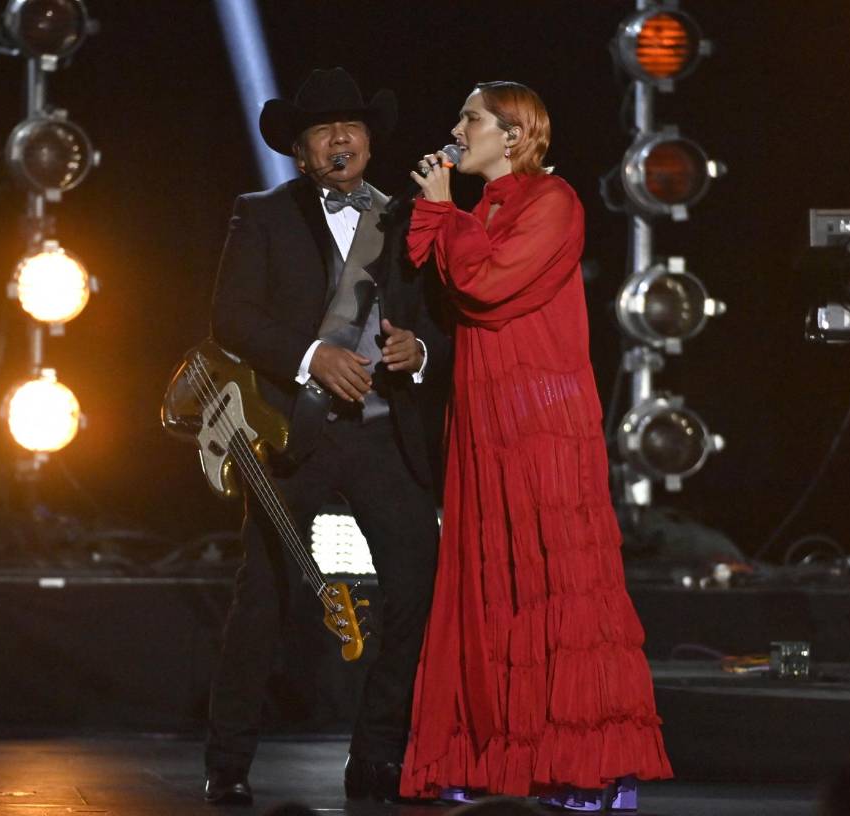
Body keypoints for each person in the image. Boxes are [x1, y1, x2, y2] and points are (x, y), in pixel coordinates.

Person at [398, 81, 672, 809]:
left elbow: (489, 283)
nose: (457, 127)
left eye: (471, 118)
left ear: (513, 135)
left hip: (542, 421)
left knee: (557, 580)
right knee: (489, 582)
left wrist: (445, 210)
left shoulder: (555, 202)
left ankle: (589, 765)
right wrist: (443, 205)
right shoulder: (483, 205)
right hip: (485, 417)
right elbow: (440, 276)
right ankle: (490, 756)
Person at [203, 67, 446, 805]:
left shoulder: (406, 218)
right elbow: (233, 318)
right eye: (322, 130)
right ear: (302, 153)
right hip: (295, 435)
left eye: (352, 126)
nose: (340, 139)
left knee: (415, 586)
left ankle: (376, 755)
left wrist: (419, 351)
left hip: (381, 435)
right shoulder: (262, 212)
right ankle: (229, 761)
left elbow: (440, 317)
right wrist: (315, 356)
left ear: (369, 142)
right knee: (266, 599)